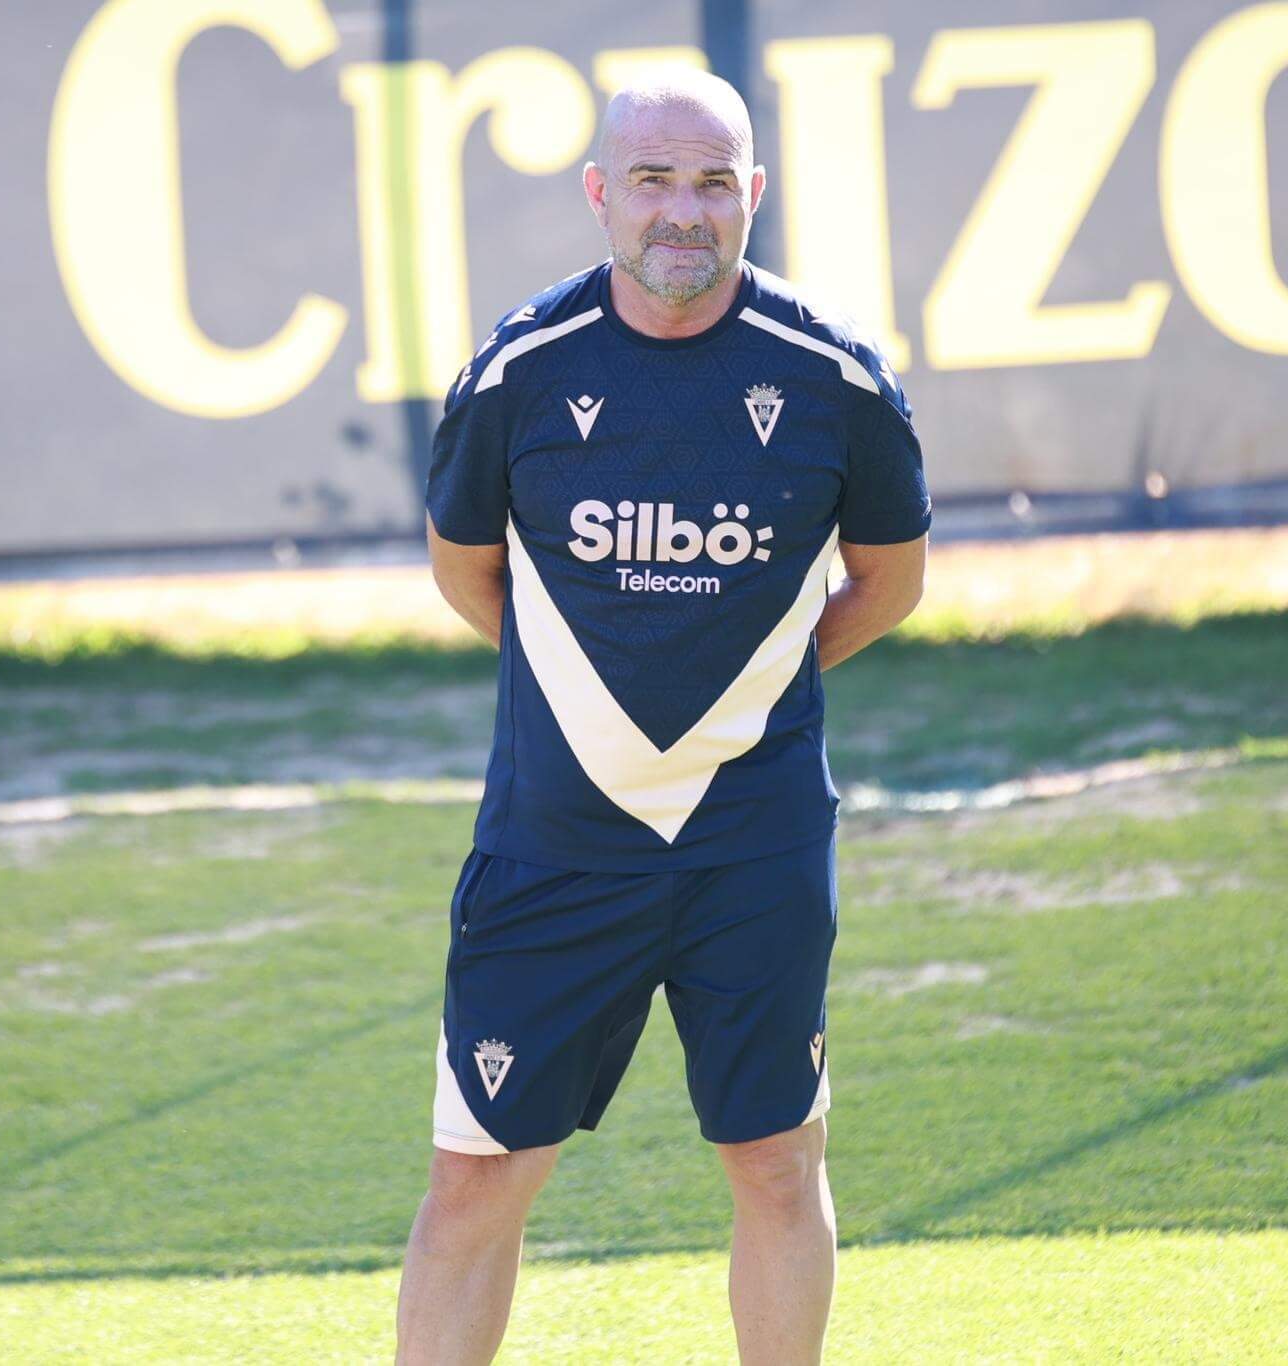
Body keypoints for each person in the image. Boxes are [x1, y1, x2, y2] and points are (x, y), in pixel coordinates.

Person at [399, 69, 930, 1365]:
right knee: (478, 1179)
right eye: (652, 180)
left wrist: (756, 690)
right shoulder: (519, 373)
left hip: (754, 842)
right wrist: (593, 700)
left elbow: (891, 578)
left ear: (752, 195)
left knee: (774, 1158)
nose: (681, 212)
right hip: (556, 845)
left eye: (710, 183)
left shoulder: (838, 380)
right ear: (600, 196)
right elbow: (468, 570)